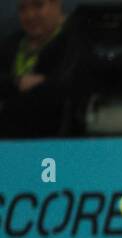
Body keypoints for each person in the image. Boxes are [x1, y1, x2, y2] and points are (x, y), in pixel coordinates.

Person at [0, 0, 71, 138]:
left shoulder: (73, 42)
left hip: (55, 136)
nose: (30, 15)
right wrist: (17, 82)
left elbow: (65, 86)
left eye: (38, 5)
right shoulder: (9, 44)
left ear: (57, 5)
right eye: (22, 9)